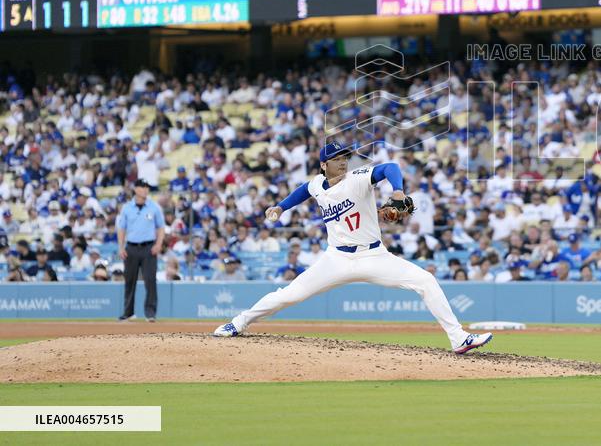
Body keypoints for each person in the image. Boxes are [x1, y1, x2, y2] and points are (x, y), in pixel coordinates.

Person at [213, 142, 492, 354]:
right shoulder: (318, 184)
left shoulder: (358, 177)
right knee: (288, 295)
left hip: (373, 255)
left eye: (345, 157)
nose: (343, 161)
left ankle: (458, 338)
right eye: (337, 158)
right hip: (335, 259)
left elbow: (389, 167)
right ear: (324, 165)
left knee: (426, 281)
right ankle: (238, 323)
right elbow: (304, 190)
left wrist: (397, 190)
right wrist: (281, 207)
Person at [116, 179, 166, 322]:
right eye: (142, 187)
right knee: (129, 280)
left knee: (150, 280)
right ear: (136, 189)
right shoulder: (127, 208)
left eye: (146, 187)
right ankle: (128, 312)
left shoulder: (154, 207)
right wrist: (121, 247)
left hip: (149, 248)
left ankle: (150, 313)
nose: (145, 190)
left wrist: (159, 244)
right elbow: (121, 228)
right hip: (131, 247)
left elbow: (161, 227)